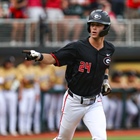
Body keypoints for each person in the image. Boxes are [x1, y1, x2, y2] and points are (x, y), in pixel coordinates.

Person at [22, 9, 115, 140]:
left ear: (106, 28)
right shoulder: (77, 47)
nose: (94, 28)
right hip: (74, 100)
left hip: (94, 102)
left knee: (100, 138)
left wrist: (105, 80)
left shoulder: (109, 48)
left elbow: (105, 64)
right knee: (64, 138)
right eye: (92, 24)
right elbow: (54, 58)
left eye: (98, 25)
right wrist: (39, 56)